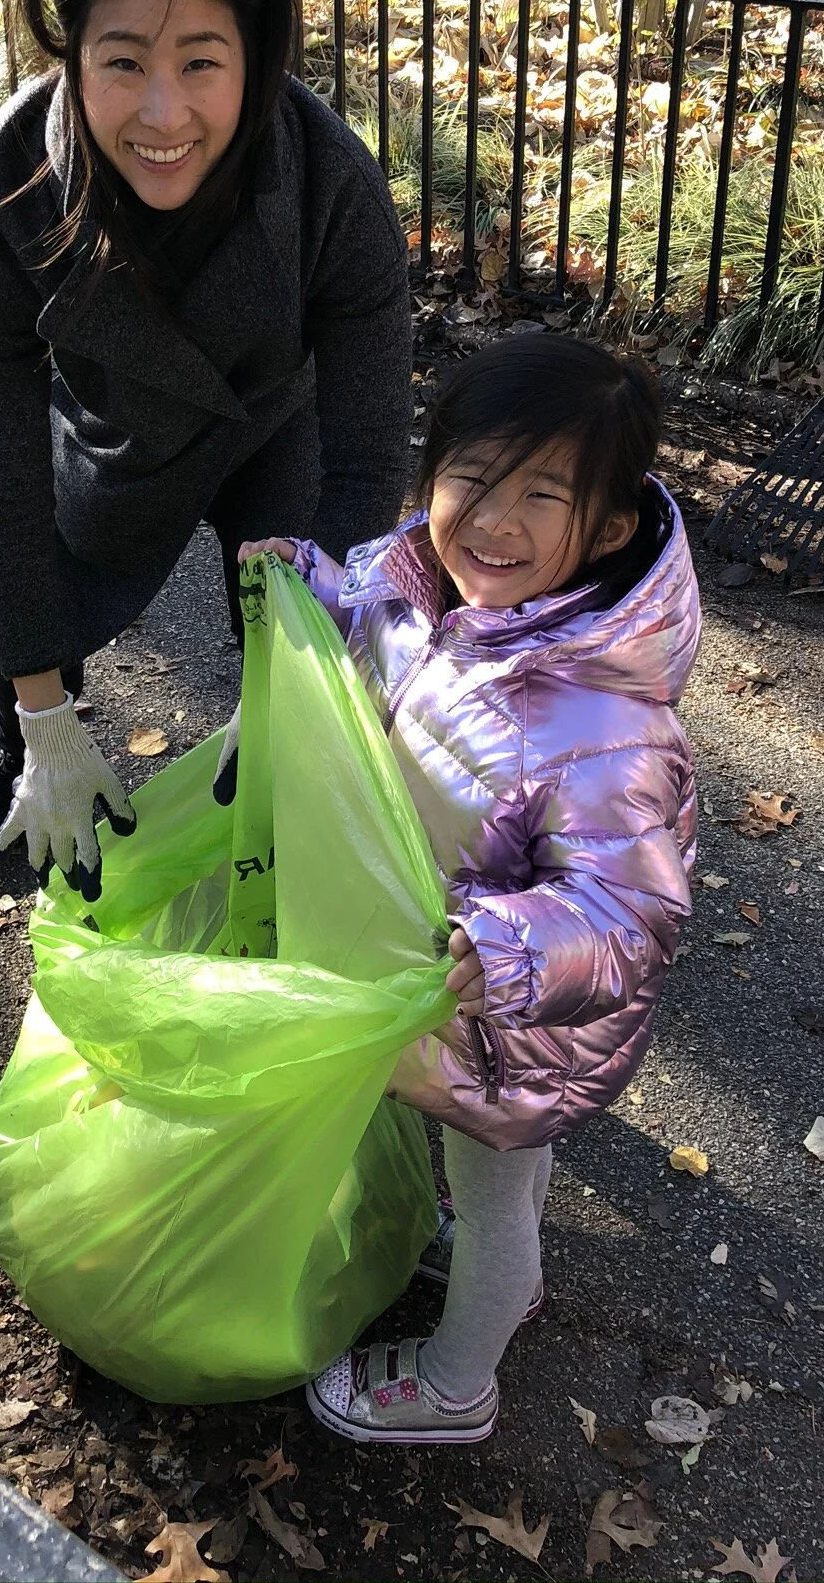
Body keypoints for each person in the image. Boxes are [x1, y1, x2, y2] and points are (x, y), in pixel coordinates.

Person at [240, 331, 701, 1444]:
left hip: (509, 1020)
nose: (493, 519)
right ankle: (505, 1279)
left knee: (494, 1193)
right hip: (452, 989)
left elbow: (630, 908)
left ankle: (457, 1383)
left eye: (542, 493)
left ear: (606, 529)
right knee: (500, 1181)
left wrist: (510, 952)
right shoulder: (429, 591)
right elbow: (374, 639)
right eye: (473, 477)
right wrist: (310, 585)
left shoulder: (600, 719)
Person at [0, 0, 413, 893]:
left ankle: (290, 750)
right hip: (119, 432)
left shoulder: (331, 176)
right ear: (70, 59)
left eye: (203, 62)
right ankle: (28, 761)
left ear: (257, 61)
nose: (164, 111)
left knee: (293, 616)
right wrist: (43, 710)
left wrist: (303, 677)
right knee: (45, 590)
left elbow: (370, 450)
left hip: (280, 420)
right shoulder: (2, 193)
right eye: (123, 62)